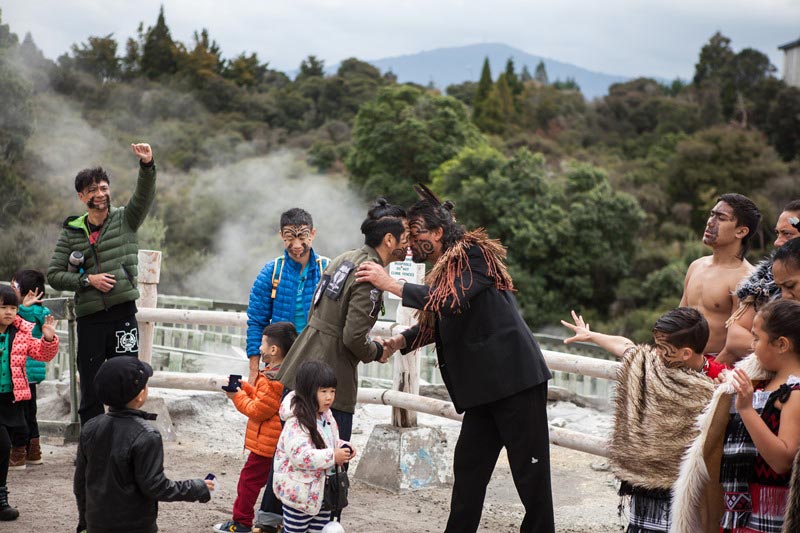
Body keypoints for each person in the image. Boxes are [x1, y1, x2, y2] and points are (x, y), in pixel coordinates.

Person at [356, 190, 554, 533]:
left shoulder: (474, 255)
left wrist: (390, 283)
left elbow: (449, 301)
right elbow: (442, 318)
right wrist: (402, 340)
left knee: (530, 476)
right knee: (468, 472)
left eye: (416, 236)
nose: (411, 244)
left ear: (437, 232)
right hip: (483, 392)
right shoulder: (446, 268)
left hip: (515, 382)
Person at [561, 307, 721, 532]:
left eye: (663, 347)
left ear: (685, 353)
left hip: (687, 491)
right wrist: (591, 336)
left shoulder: (718, 381)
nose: (655, 352)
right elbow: (625, 346)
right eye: (655, 344)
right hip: (645, 487)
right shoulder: (649, 365)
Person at [276, 198, 409, 444]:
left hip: (301, 365)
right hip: (328, 380)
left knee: (289, 457)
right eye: (406, 238)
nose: (408, 244)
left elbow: (313, 311)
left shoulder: (343, 258)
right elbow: (353, 337)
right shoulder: (370, 274)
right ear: (389, 240)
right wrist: (377, 350)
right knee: (329, 465)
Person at [47, 143, 156, 425]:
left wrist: (147, 165)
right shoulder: (72, 231)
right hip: (90, 317)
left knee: (128, 381)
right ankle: (92, 446)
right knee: (92, 384)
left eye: (104, 188)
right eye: (93, 190)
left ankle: (126, 440)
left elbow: (143, 197)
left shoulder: (125, 219)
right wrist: (87, 280)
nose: (100, 194)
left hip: (122, 313)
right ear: (82, 196)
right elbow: (55, 275)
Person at [74, 356, 214, 533]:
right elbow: (156, 486)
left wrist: (84, 522)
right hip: (135, 527)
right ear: (140, 395)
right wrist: (195, 488)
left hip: (97, 524)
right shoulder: (148, 435)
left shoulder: (90, 427)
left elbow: (80, 483)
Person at [213, 322, 297, 533]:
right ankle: (276, 522)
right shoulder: (282, 373)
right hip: (276, 443)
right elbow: (265, 401)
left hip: (266, 446)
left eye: (262, 343)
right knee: (275, 485)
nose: (259, 348)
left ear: (273, 350)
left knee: (248, 482)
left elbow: (257, 410)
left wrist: (236, 396)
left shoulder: (272, 380)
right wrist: (247, 388)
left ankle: (240, 523)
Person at [246, 208, 329, 385]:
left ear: (313, 234)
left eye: (302, 237)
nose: (297, 245)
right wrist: (254, 370)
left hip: (317, 357)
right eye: (290, 238)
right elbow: (256, 321)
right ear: (281, 235)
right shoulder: (271, 272)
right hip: (280, 361)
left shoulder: (328, 270)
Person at [272, 360, 355, 533]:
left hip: (322, 493)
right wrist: (333, 456)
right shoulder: (296, 422)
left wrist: (343, 446)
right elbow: (301, 456)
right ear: (308, 391)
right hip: (299, 494)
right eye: (323, 391)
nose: (329, 397)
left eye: (332, 391)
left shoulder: (326, 416)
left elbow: (326, 441)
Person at [681, 193, 762, 365]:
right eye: (712, 215)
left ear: (741, 231)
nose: (710, 222)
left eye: (721, 218)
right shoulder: (696, 265)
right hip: (683, 362)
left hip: (718, 368)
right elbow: (679, 319)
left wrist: (708, 371)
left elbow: (736, 343)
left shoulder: (747, 279)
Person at [0, 285, 58, 521]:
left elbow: (42, 354)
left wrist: (48, 337)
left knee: (4, 447)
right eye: (3, 307)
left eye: (13, 307)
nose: (9, 312)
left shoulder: (22, 333)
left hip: (9, 400)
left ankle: (0, 498)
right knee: (3, 445)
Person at [727, 200, 800, 334]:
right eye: (778, 233)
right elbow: (735, 337)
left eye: (787, 234)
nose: (777, 242)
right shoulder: (764, 282)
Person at [8, 269, 50, 470]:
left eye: (14, 286)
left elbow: (21, 323)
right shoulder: (42, 313)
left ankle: (19, 453)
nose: (10, 288)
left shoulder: (27, 313)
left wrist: (22, 308)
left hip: (22, 372)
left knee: (19, 413)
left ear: (26, 292)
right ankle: (34, 451)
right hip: (31, 374)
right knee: (29, 412)